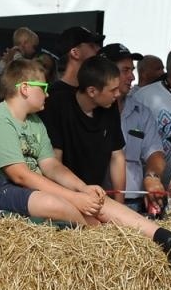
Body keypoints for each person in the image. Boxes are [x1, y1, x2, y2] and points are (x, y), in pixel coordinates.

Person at [0, 58, 171, 266]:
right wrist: (74, 198)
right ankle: (115, 243)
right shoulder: (0, 120)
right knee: (58, 204)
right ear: (24, 89)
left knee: (97, 200)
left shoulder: (34, 122)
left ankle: (167, 238)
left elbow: (51, 165)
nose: (48, 93)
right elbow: (19, 175)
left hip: (28, 187)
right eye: (43, 87)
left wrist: (83, 189)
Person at [43, 53, 126, 195]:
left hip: (96, 193)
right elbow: (55, 160)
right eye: (113, 90)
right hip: (65, 193)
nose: (118, 94)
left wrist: (120, 201)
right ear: (92, 91)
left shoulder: (110, 106)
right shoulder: (58, 105)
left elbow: (117, 155)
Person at [104, 42, 168, 213]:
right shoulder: (92, 111)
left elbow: (155, 152)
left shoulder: (142, 111)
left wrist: (152, 177)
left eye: (132, 70)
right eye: (125, 70)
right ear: (106, 72)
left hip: (136, 202)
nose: (132, 77)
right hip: (98, 200)